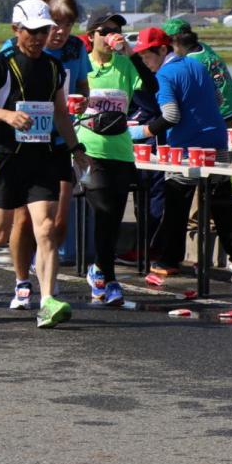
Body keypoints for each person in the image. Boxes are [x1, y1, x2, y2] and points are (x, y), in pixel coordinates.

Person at [0, 0, 84, 328]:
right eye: (33, 31)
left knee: (46, 229)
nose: (40, 37)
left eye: (44, 30)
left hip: (40, 157)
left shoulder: (55, 68)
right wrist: (6, 115)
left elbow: (60, 112)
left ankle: (47, 301)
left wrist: (76, 147)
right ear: (17, 30)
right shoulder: (0, 64)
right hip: (4, 158)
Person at [132, 27, 232, 279]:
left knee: (177, 203)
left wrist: (143, 131)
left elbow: (171, 115)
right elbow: (219, 101)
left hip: (186, 148)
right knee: (221, 201)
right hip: (217, 140)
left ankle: (168, 260)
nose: (146, 63)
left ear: (163, 50)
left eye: (147, 57)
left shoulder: (164, 75)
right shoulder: (197, 65)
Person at [0, 0, 90, 303]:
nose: (61, 31)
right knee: (24, 220)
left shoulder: (77, 49)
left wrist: (81, 103)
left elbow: (82, 86)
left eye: (68, 24)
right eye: (56, 23)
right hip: (22, 146)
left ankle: (47, 276)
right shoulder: (17, 49)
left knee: (56, 222)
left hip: (57, 142)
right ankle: (22, 280)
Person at [79, 19, 143, 305]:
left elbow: (150, 88)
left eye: (114, 31)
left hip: (121, 150)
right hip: (90, 148)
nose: (109, 37)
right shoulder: (83, 67)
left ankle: (98, 269)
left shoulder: (125, 65)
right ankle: (110, 277)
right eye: (103, 32)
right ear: (91, 35)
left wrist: (132, 54)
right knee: (103, 211)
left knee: (114, 218)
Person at [162, 18, 232, 123]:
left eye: (168, 45)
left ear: (176, 41)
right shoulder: (204, 47)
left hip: (221, 114)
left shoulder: (190, 62)